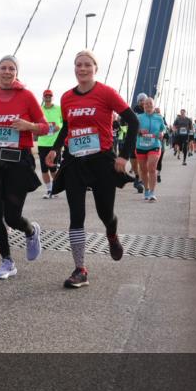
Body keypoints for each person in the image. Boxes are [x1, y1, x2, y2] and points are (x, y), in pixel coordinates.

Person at [45, 50, 138, 288]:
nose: (82, 69)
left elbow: (133, 121)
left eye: (87, 65)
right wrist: (55, 148)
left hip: (102, 161)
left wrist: (124, 156)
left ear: (95, 68)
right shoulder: (67, 98)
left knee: (105, 213)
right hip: (75, 161)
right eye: (78, 65)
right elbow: (67, 126)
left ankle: (112, 235)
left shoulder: (106, 93)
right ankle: (80, 269)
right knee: (76, 215)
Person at [0, 55, 45, 279]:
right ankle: (7, 262)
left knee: (12, 217)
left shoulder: (27, 96)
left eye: (11, 68)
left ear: (16, 73)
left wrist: (29, 125)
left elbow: (46, 127)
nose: (6, 72)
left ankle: (31, 230)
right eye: (2, 68)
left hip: (17, 161)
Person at [135, 96, 166, 202]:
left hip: (155, 145)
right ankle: (147, 190)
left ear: (154, 106)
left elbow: (163, 129)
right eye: (146, 104)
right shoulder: (139, 117)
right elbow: (133, 129)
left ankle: (152, 193)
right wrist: (139, 132)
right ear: (143, 106)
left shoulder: (159, 117)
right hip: (141, 146)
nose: (148, 105)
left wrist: (162, 133)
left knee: (151, 167)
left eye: (150, 104)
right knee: (143, 170)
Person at [36, 88, 63, 199]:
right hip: (42, 143)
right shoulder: (39, 109)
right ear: (43, 97)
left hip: (55, 143)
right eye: (46, 96)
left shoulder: (59, 109)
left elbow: (63, 123)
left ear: (52, 97)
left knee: (53, 168)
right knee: (44, 169)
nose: (48, 98)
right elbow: (36, 124)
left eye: (49, 96)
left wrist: (58, 127)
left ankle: (55, 189)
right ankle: (49, 189)